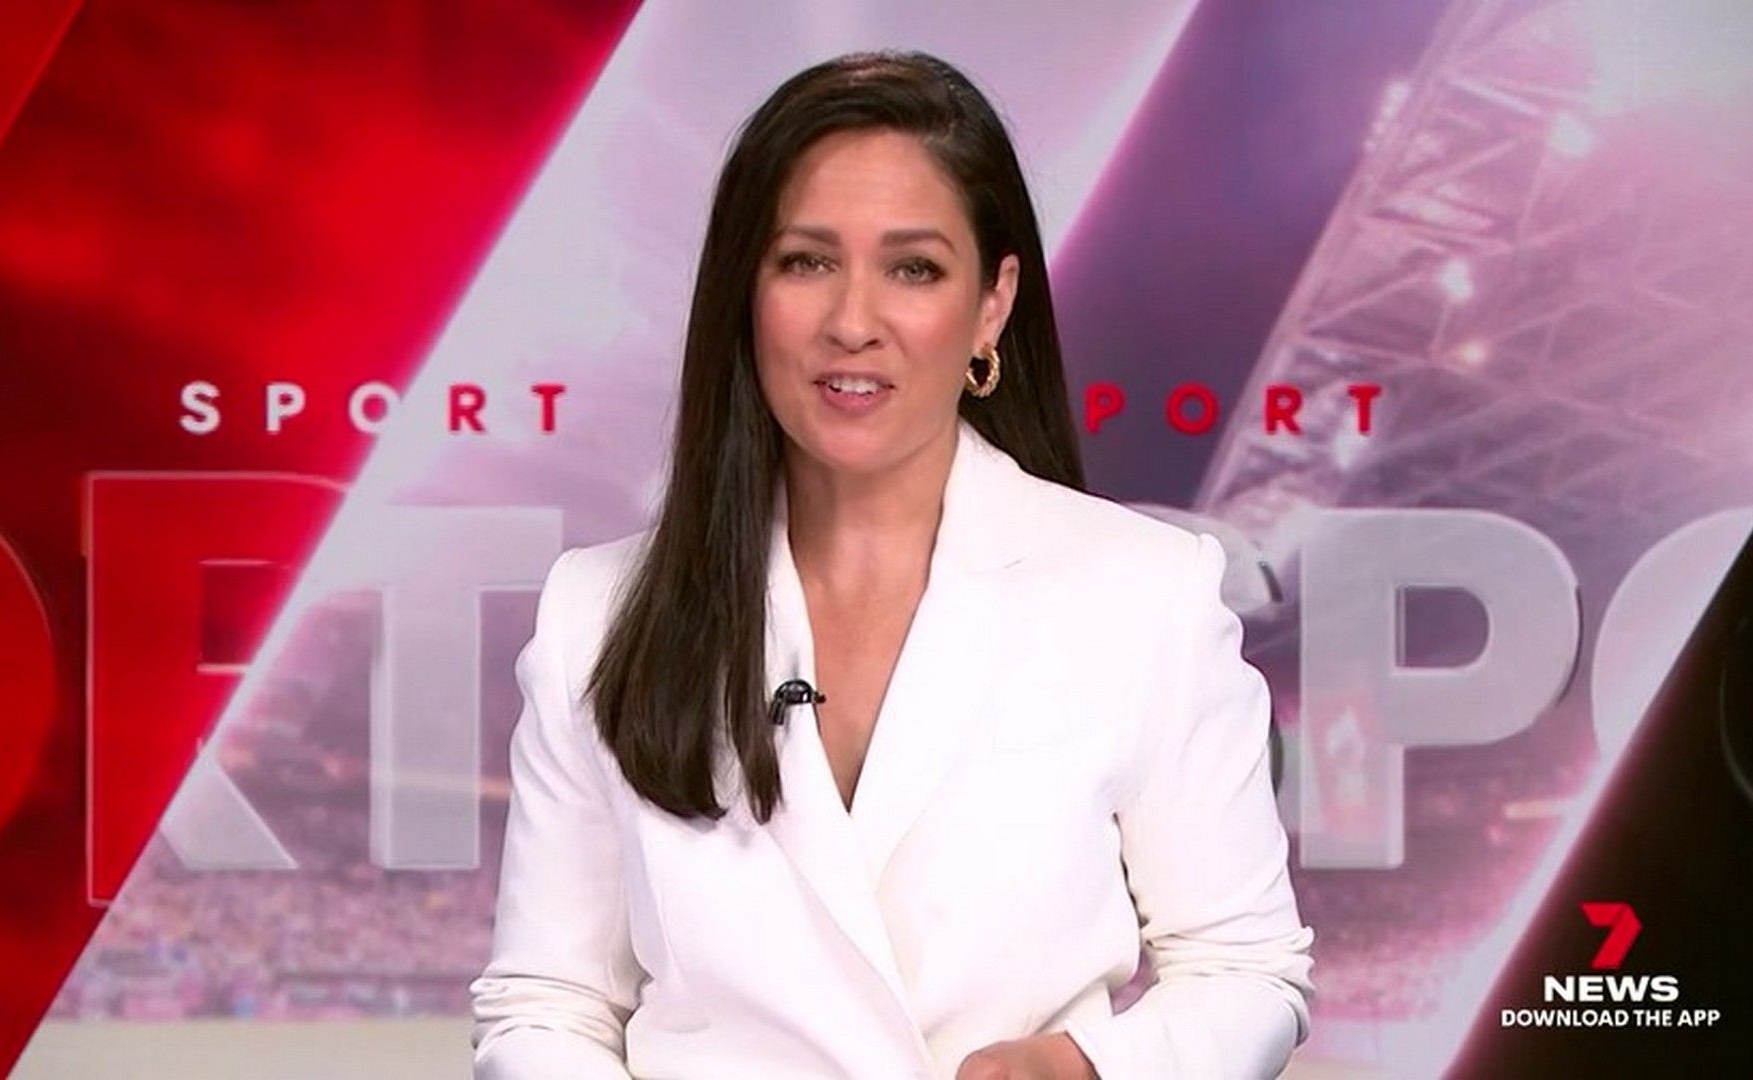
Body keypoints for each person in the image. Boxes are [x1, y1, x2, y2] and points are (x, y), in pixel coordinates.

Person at [470, 50, 1315, 1079]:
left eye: (913, 268)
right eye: (805, 262)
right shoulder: (597, 613)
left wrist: (1086, 1068)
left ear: (992, 303)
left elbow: (1245, 968)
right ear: (745, 291)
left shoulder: (1147, 592)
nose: (852, 323)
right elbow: (546, 1003)